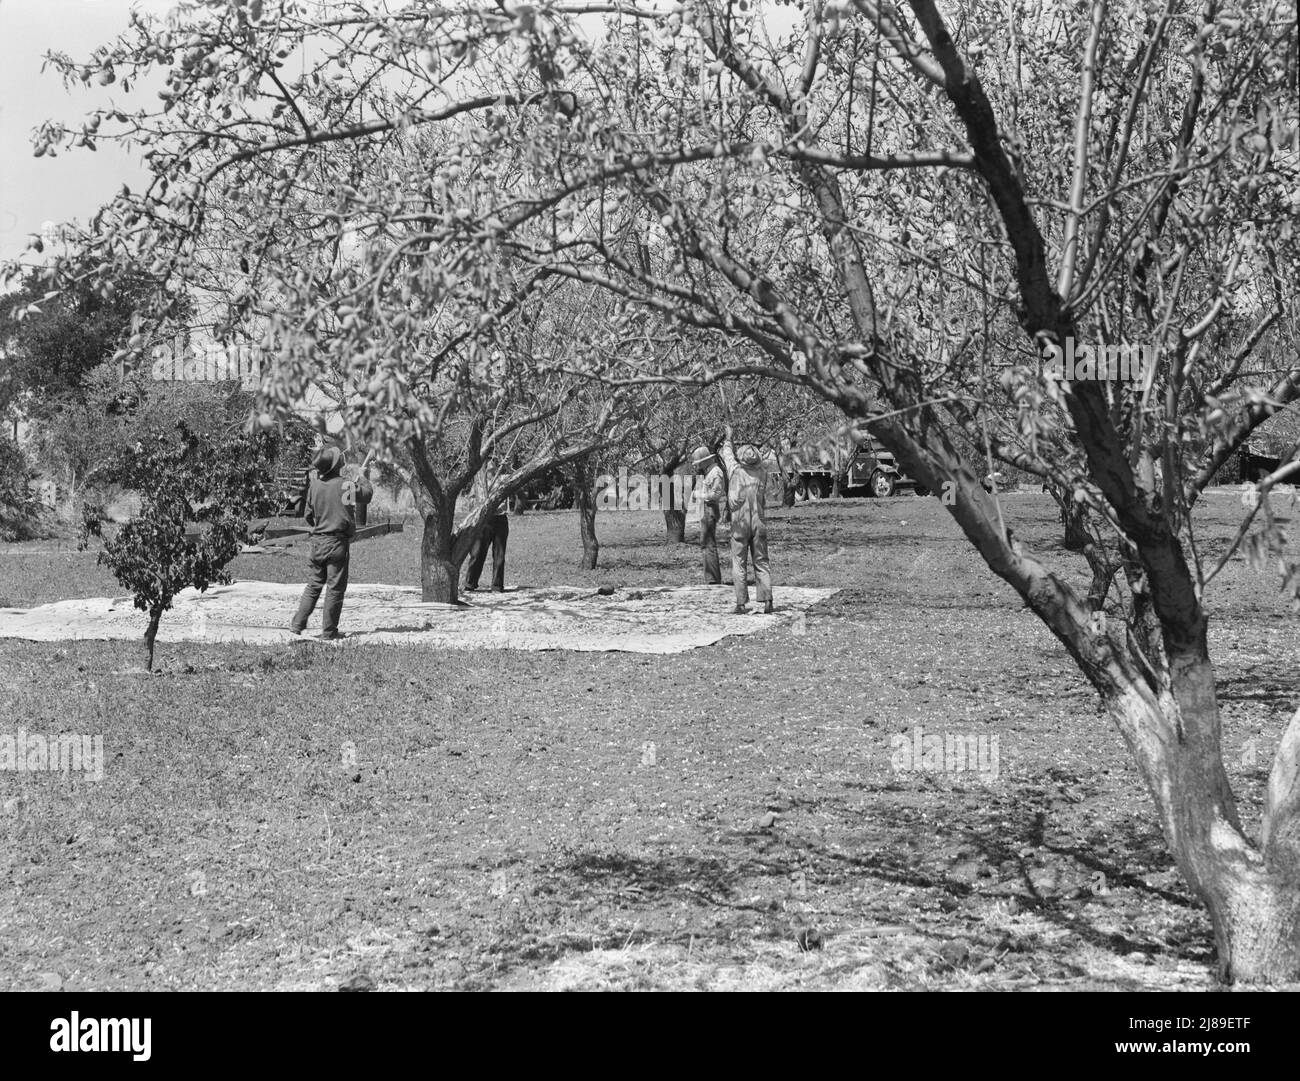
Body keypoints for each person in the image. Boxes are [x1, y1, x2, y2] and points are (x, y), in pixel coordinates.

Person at [289, 446, 373, 640]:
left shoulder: (315, 486)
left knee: (314, 585)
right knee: (335, 588)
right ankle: (329, 632)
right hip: (337, 543)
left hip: (318, 542)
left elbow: (309, 516)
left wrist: (322, 523)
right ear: (335, 467)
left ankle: (297, 623)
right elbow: (366, 495)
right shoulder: (345, 485)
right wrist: (363, 476)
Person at [720, 424, 773, 615]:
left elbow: (727, 454)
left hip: (740, 525)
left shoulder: (735, 471)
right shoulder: (763, 474)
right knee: (762, 561)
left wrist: (728, 437)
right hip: (759, 523)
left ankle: (741, 603)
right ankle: (768, 600)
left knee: (738, 563)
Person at [463, 456, 509, 593]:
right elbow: (471, 501)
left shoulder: (503, 480)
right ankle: (470, 584)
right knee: (477, 553)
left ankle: (497, 586)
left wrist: (508, 464)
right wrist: (480, 505)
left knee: (499, 555)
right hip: (484, 521)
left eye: (494, 468)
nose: (492, 470)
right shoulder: (479, 485)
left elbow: (516, 475)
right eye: (489, 468)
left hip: (500, 520)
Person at [693, 444, 727, 585]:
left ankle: (713, 579)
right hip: (706, 510)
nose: (698, 465)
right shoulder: (708, 472)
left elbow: (716, 494)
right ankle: (710, 578)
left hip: (710, 509)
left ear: (705, 460)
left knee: (708, 544)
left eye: (699, 463)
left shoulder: (715, 472)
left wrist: (699, 495)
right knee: (705, 543)